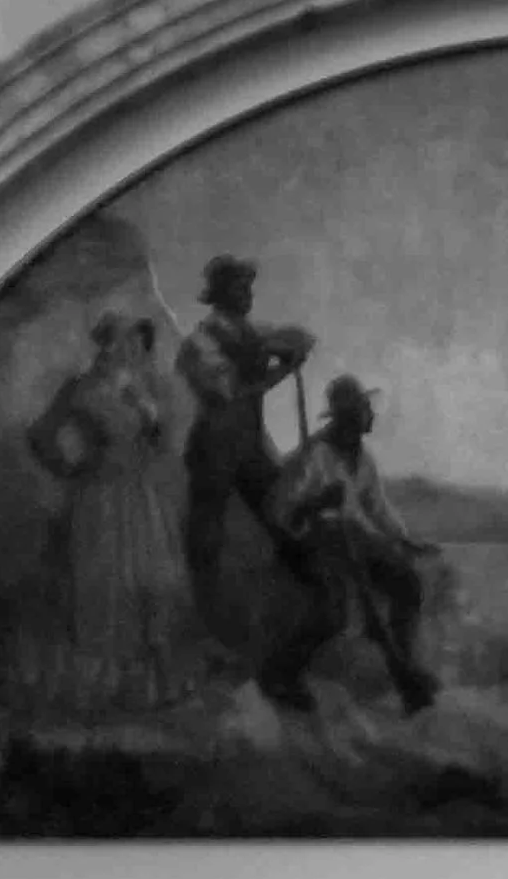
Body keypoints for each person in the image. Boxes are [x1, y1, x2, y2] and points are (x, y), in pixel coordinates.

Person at [20, 317, 209, 718]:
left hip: (141, 498)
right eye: (131, 343)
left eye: (141, 345)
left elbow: (158, 443)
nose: (138, 351)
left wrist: (150, 418)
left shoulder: (134, 390)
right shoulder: (82, 388)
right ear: (113, 343)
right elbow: (39, 435)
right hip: (101, 500)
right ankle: (100, 695)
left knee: (152, 585)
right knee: (105, 592)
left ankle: (149, 691)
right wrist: (69, 467)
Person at [259, 371, 441, 713]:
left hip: (355, 539)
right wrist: (315, 504)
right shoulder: (315, 455)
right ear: (348, 416)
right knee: (333, 611)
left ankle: (405, 663)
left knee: (407, 582)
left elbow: (377, 508)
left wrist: (404, 540)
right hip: (317, 542)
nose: (371, 414)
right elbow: (279, 509)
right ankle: (279, 674)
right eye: (363, 409)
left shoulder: (363, 458)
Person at [174, 254, 315, 616]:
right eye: (241, 288)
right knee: (206, 533)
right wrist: (280, 369)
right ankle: (203, 610)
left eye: (249, 288)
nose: (248, 295)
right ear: (220, 294)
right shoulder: (200, 342)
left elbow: (302, 338)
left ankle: (305, 598)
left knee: (280, 510)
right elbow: (229, 391)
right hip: (215, 446)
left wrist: (286, 350)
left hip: (248, 444)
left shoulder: (254, 332)